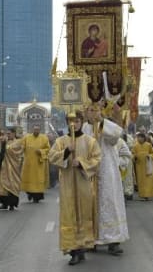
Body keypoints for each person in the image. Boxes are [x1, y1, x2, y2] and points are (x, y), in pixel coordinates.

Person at [49, 111, 101, 266]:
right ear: (67, 123)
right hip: (67, 186)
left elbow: (97, 159)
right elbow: (52, 157)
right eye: (71, 121)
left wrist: (82, 163)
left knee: (83, 215)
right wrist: (66, 152)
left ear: (81, 122)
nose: (74, 124)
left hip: (83, 184)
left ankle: (82, 247)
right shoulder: (61, 141)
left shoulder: (90, 141)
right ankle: (73, 251)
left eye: (77, 121)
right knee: (70, 216)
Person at [82, 103, 129, 255]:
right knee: (90, 204)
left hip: (107, 170)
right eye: (90, 110)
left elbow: (115, 137)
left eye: (95, 110)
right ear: (86, 112)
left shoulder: (107, 125)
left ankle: (113, 240)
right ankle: (92, 239)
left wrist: (101, 122)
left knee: (110, 202)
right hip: (90, 171)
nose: (93, 113)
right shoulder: (83, 128)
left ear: (101, 111)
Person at [0, 128, 24, 211]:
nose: (8, 135)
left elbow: (14, 151)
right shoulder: (4, 141)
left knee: (12, 184)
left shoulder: (18, 142)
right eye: (7, 134)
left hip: (13, 168)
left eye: (9, 133)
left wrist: (4, 145)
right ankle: (4, 203)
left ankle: (12, 204)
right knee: (2, 185)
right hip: (4, 167)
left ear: (14, 133)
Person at [21, 124, 50, 203]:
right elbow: (22, 147)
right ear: (32, 130)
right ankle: (29, 193)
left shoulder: (44, 138)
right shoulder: (26, 138)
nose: (36, 131)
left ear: (39, 130)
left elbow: (48, 149)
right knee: (29, 179)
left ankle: (36, 197)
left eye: (37, 130)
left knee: (38, 180)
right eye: (35, 130)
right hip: (29, 163)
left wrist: (41, 151)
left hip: (38, 163)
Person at [132, 133, 153, 200]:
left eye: (140, 137)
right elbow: (132, 154)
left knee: (148, 180)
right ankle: (142, 195)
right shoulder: (135, 146)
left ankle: (148, 195)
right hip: (139, 166)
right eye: (138, 137)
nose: (139, 139)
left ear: (144, 138)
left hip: (148, 165)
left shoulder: (148, 145)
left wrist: (149, 156)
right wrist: (135, 158)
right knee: (141, 181)